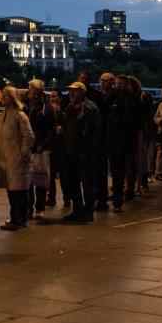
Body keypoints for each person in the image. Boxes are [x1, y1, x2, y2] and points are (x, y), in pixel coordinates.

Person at [0, 86, 36, 231]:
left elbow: (28, 136)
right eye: (2, 95)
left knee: (19, 191)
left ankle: (20, 219)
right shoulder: (0, 116)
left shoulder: (20, 115)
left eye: (6, 95)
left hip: (17, 158)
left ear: (12, 98)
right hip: (4, 158)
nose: (2, 98)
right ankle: (15, 217)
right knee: (11, 190)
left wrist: (23, 154)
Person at [61, 82, 101, 222]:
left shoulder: (90, 108)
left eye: (75, 91)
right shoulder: (70, 107)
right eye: (70, 91)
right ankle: (77, 210)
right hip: (71, 150)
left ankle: (88, 212)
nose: (71, 93)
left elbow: (94, 131)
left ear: (82, 92)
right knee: (73, 182)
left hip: (85, 152)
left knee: (87, 183)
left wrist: (90, 150)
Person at [104, 75, 139, 212]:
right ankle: (117, 197)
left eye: (120, 84)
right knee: (115, 170)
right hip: (114, 140)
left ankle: (118, 198)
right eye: (116, 84)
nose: (117, 86)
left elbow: (132, 120)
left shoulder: (131, 99)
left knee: (120, 171)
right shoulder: (112, 97)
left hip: (123, 140)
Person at [26, 79, 55, 219]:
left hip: (41, 148)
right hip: (29, 147)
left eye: (30, 88)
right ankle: (29, 208)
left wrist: (42, 145)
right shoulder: (27, 105)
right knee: (29, 180)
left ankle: (40, 208)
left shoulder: (46, 107)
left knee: (40, 179)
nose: (28, 91)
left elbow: (51, 130)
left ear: (37, 91)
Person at [93, 72, 114, 211]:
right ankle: (100, 197)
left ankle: (102, 198)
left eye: (105, 81)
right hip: (99, 136)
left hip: (108, 136)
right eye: (101, 80)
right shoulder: (99, 96)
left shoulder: (113, 96)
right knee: (99, 170)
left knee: (104, 170)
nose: (102, 83)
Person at [47, 91, 66, 207]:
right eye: (50, 97)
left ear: (59, 98)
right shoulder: (49, 112)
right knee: (51, 175)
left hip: (61, 147)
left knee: (63, 175)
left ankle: (67, 198)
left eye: (54, 96)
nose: (52, 99)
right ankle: (51, 198)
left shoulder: (63, 112)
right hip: (52, 146)